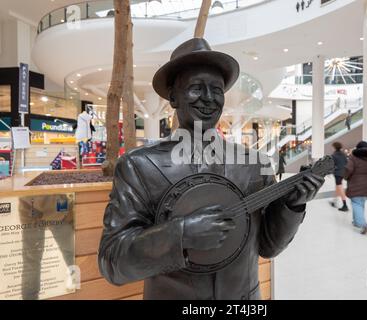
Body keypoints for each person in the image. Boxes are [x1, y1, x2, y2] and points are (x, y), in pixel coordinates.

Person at [97, 37, 325, 300]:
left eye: (216, 89)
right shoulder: (140, 166)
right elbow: (112, 261)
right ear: (173, 97)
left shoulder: (255, 164)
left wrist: (292, 206)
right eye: (196, 88)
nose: (208, 98)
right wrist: (180, 235)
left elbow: (268, 246)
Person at [344, 141, 367, 235]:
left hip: (355, 184)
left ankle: (363, 224)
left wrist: (346, 177)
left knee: (356, 204)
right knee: (360, 204)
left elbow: (348, 169)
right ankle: (356, 222)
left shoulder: (353, 157)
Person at [330, 142, 348, 212]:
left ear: (334, 147)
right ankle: (335, 201)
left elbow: (332, 165)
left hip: (337, 173)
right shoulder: (343, 154)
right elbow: (346, 163)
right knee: (338, 187)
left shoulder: (334, 155)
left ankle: (345, 204)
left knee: (340, 187)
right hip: (343, 172)